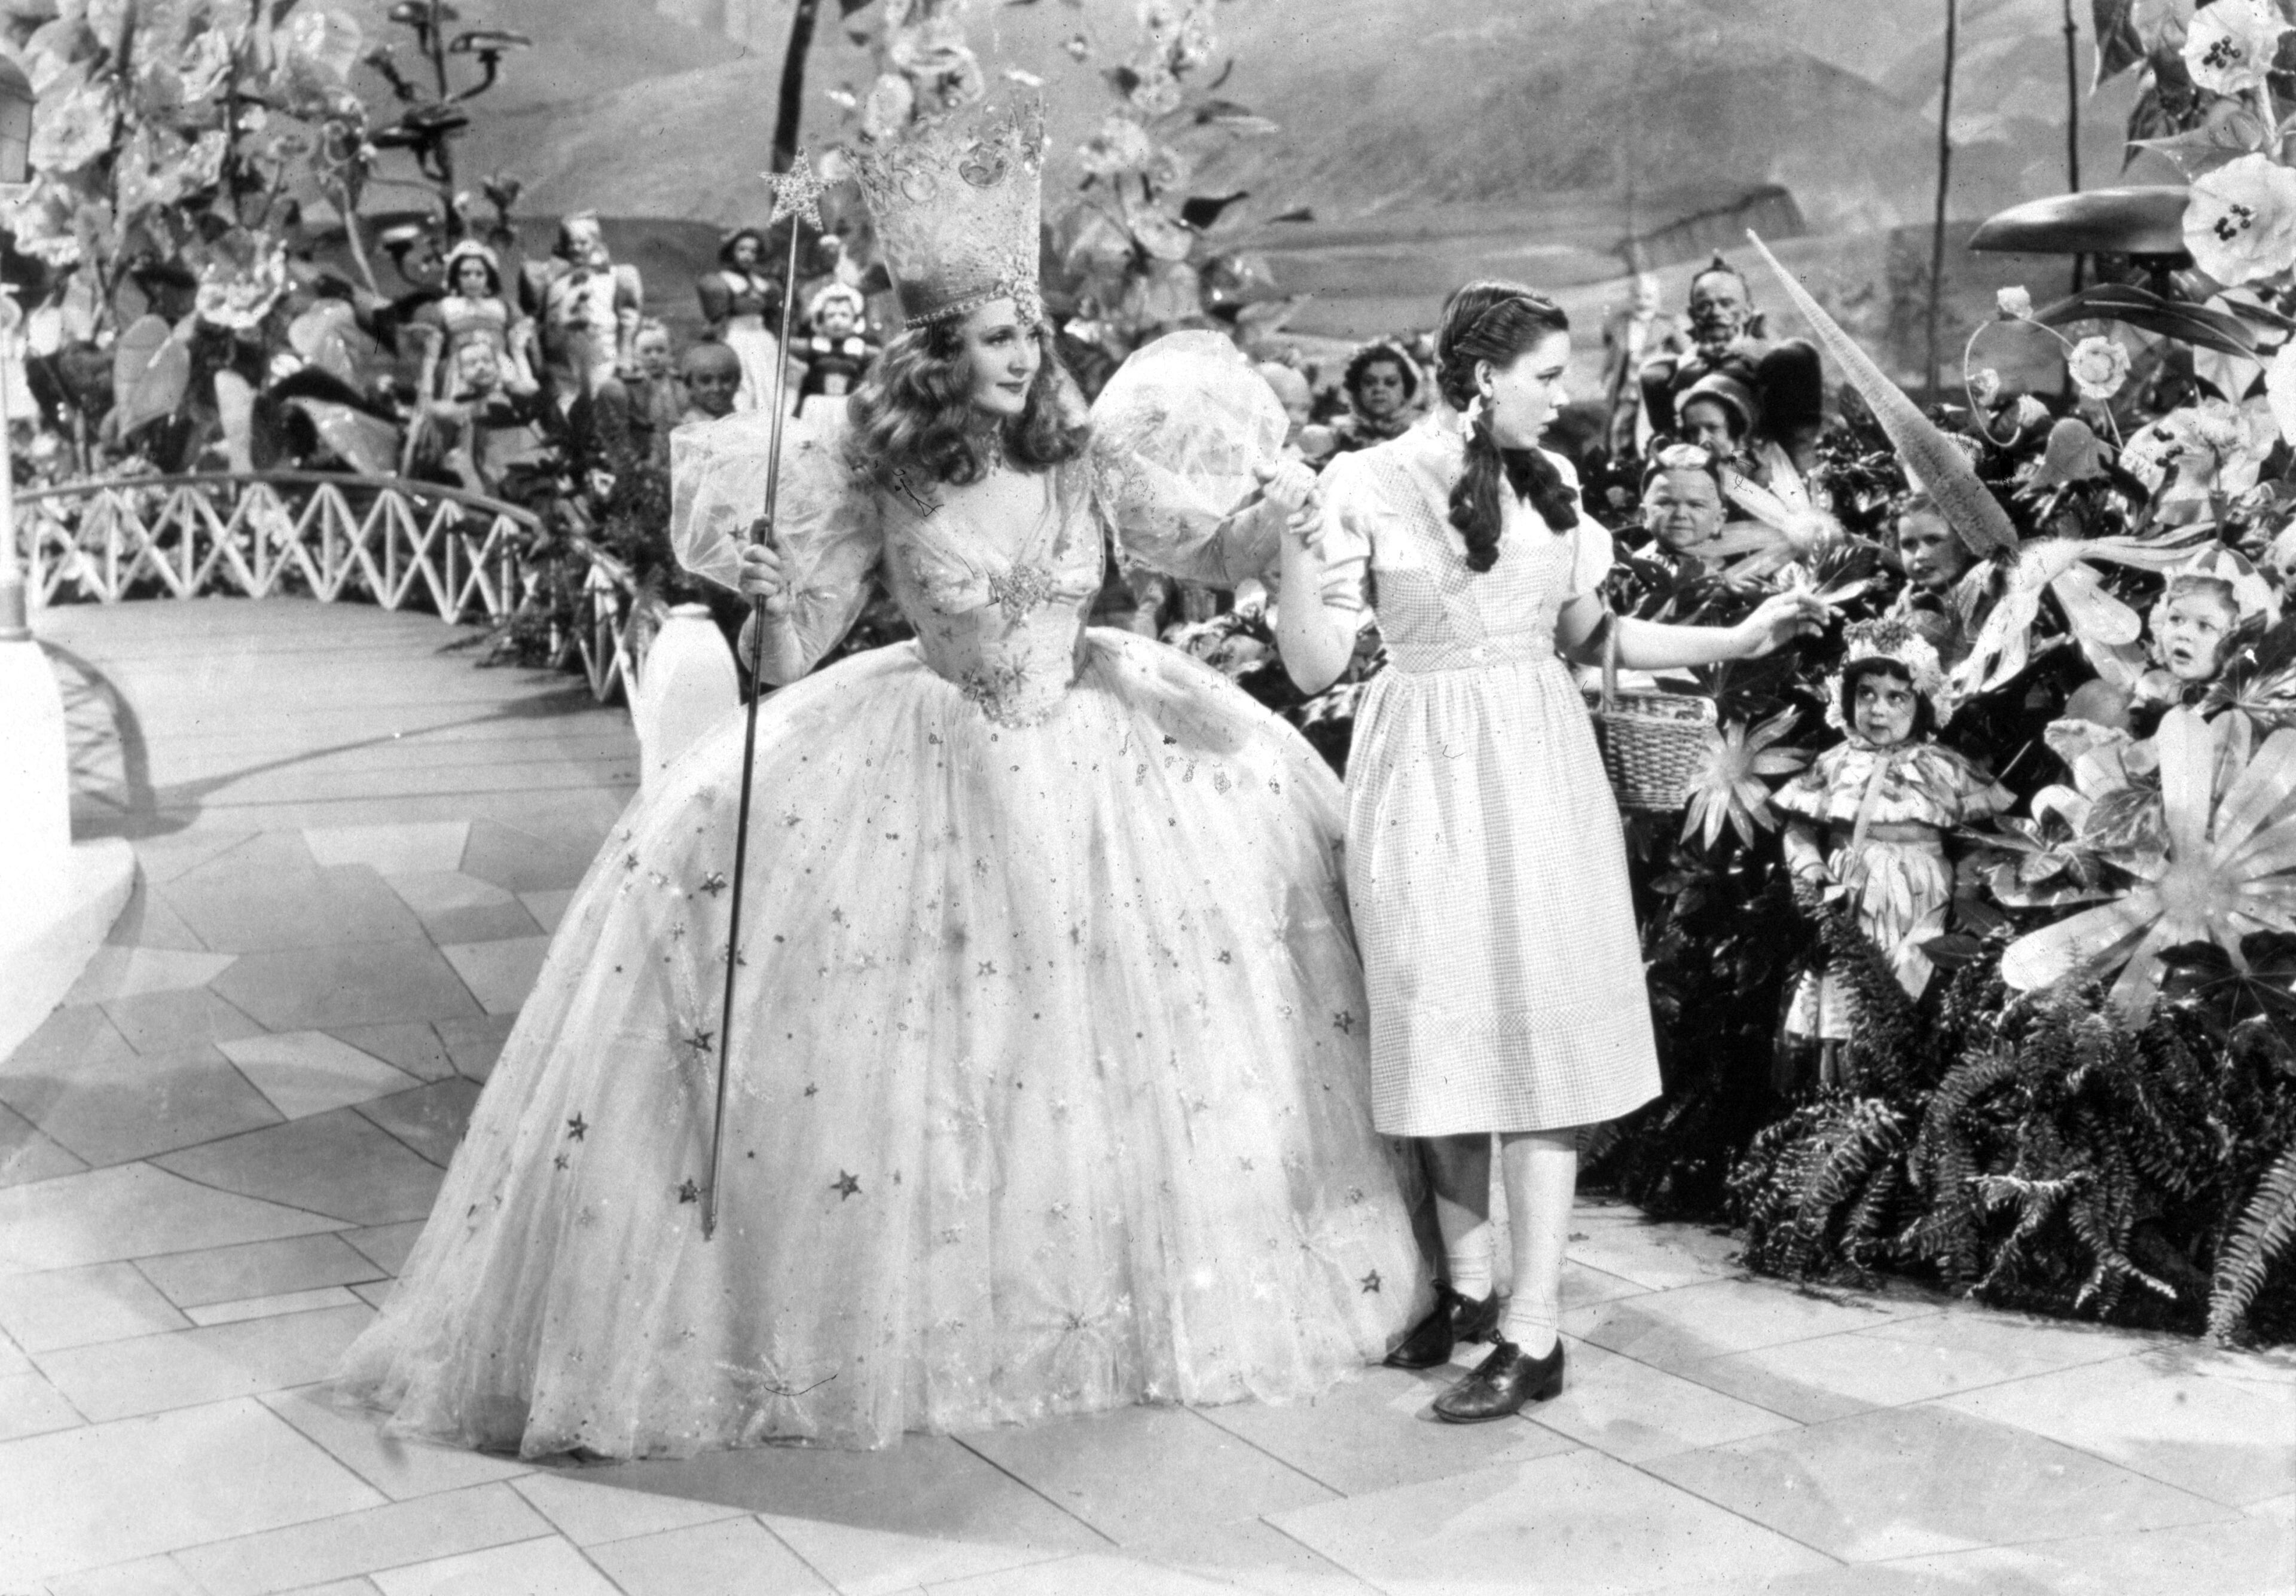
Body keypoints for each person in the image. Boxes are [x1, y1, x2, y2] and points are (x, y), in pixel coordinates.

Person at [333, 99, 1427, 1459]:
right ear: (932, 354)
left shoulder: (1081, 453)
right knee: (936, 1057)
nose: (1019, 356)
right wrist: (772, 597)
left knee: (1126, 1033)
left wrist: (1278, 516)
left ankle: (1114, 1282)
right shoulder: (873, 468)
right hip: (923, 748)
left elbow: (1208, 544)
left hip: (1103, 750)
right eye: (990, 337)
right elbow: (788, 646)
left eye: (1026, 332)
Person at [1278, 281, 1826, 1422]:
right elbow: (1318, 667)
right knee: (1434, 1014)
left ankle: (1535, 1326)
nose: (1561, 394)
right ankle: (1469, 1292)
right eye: (1545, 375)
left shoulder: (1559, 481)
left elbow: (1594, 634)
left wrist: (1741, 632)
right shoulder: (1363, 482)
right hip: (1420, 764)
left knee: (1531, 1023)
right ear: (1483, 376)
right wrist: (1291, 558)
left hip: (1535, 764)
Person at [1774, 622, 2010, 1086]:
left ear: (1921, 703)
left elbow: (1980, 838)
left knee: (1915, 992)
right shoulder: (1834, 763)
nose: (1878, 710)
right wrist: (1815, 872)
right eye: (1866, 695)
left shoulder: (1944, 766)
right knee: (1848, 997)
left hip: (1923, 900)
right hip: (1850, 896)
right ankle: (1846, 1103)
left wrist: (1965, 891)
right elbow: (1798, 828)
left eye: (1896, 697)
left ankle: (1910, 1096)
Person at [696, 227, 786, 414]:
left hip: (762, 341)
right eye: (742, 250)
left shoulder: (764, 285)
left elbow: (771, 317)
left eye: (753, 251)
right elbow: (718, 320)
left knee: (767, 386)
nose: (748, 256)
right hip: (737, 339)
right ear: (732, 251)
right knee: (743, 387)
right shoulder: (724, 282)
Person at [1598, 272, 1685, 460]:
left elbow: (1684, 356)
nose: (1642, 302)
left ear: (1658, 299)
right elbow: (1611, 360)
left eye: (1648, 297)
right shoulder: (1622, 326)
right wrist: (1605, 379)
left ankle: (1654, 461)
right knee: (1620, 427)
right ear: (1629, 299)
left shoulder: (1667, 328)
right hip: (1629, 392)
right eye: (1637, 296)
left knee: (1656, 430)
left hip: (1656, 392)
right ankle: (1619, 462)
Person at [790, 282, 878, 418]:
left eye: (844, 315)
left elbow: (883, 357)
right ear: (821, 320)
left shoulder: (861, 349)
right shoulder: (814, 346)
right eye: (831, 316)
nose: (837, 321)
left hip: (847, 408)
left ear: (855, 319)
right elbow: (785, 348)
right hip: (816, 408)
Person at [1329, 341, 1420, 454]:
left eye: (1390, 383)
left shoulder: (1421, 432)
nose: (1379, 389)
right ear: (1357, 389)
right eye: (1369, 382)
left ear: (1407, 389)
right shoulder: (1338, 434)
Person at [675, 342, 741, 429]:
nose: (717, 389)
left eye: (726, 379)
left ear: (737, 382)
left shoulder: (744, 424)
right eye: (706, 381)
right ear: (689, 385)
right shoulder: (686, 430)